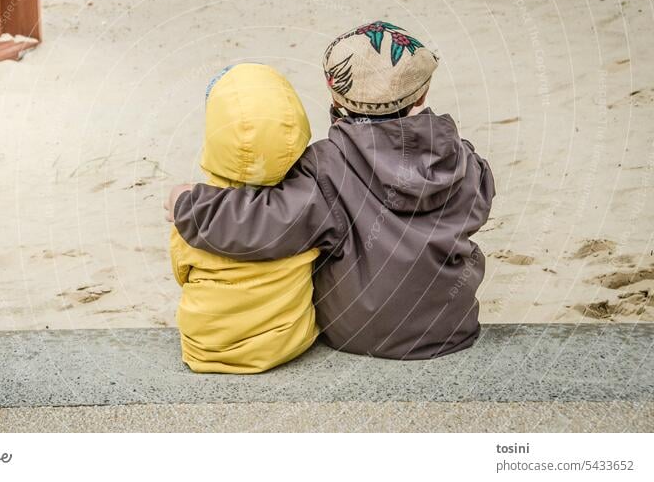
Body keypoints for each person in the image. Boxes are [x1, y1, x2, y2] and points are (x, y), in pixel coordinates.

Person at [166, 21, 496, 360]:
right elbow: (481, 198)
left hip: (358, 334)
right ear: (423, 94)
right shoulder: (460, 157)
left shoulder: (328, 165)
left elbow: (269, 223)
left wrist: (191, 205)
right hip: (452, 328)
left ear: (335, 95)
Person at [170, 63, 319, 373]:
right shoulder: (309, 204)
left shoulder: (195, 212)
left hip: (207, 348)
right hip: (288, 342)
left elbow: (181, 272)